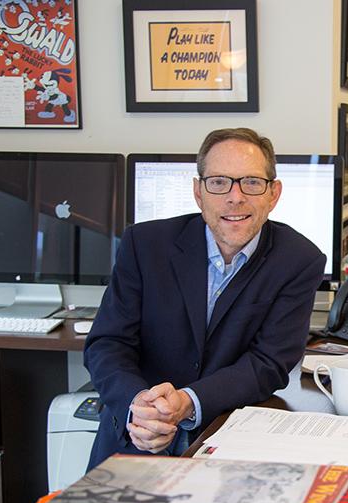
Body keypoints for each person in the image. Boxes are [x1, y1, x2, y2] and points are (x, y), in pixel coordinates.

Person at [85, 128, 326, 469]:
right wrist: (139, 404)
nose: (235, 197)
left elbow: (269, 362)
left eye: (252, 183)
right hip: (135, 434)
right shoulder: (145, 244)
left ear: (274, 194)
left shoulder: (299, 260)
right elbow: (107, 343)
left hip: (227, 440)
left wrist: (187, 401)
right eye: (218, 182)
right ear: (198, 192)